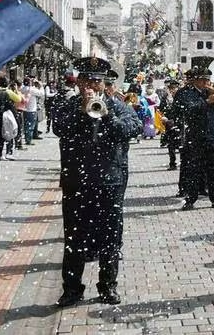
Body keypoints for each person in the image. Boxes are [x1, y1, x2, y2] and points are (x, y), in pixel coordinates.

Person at [53, 57, 137, 306]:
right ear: (79, 82)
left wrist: (107, 115)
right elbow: (59, 128)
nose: (92, 85)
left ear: (104, 83)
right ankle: (71, 289)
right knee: (74, 239)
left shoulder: (118, 106)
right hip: (77, 182)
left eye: (97, 81)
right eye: (87, 80)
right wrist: (82, 113)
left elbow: (131, 129)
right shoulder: (67, 106)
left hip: (109, 182)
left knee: (110, 238)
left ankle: (107, 286)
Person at [177, 67, 214, 211]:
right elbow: (188, 110)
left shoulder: (212, 93)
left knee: (213, 170)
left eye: (208, 80)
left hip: (213, 137)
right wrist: (207, 102)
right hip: (195, 137)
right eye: (203, 80)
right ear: (196, 81)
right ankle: (190, 199)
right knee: (194, 170)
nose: (206, 83)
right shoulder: (188, 93)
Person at [105, 69, 142, 198]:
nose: (106, 88)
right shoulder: (83, 103)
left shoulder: (121, 104)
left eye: (109, 85)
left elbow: (136, 127)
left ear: (115, 87)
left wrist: (111, 114)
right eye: (103, 84)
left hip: (117, 162)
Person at [20, 78, 43, 146]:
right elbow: (41, 93)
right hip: (32, 110)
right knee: (30, 126)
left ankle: (27, 138)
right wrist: (41, 86)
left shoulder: (23, 88)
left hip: (25, 109)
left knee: (26, 125)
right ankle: (28, 140)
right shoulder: (31, 89)